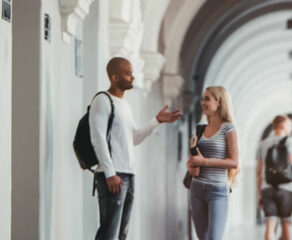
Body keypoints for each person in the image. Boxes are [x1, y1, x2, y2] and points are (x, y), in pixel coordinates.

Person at [90, 57, 182, 240]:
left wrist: (157, 121)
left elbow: (134, 137)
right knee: (109, 233)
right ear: (115, 77)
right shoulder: (102, 100)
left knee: (122, 233)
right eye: (128, 73)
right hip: (113, 175)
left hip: (128, 174)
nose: (132, 77)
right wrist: (110, 173)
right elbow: (97, 138)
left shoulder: (124, 105)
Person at [186, 86, 239, 240]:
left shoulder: (228, 128)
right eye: (202, 99)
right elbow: (191, 157)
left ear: (219, 101)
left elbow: (234, 162)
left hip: (217, 191)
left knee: (214, 238)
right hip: (196, 189)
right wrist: (190, 167)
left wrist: (205, 161)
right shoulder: (200, 129)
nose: (203, 103)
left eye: (207, 99)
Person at [256, 115, 292, 240]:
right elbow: (291, 162)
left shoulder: (263, 143)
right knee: (285, 224)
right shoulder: (289, 141)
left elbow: (259, 171)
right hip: (286, 188)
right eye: (289, 126)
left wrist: (259, 194)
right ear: (283, 125)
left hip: (267, 187)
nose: (290, 129)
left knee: (270, 224)